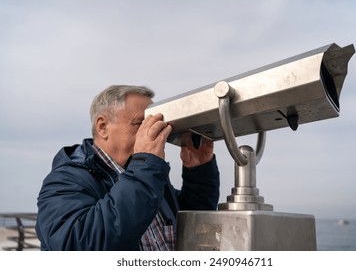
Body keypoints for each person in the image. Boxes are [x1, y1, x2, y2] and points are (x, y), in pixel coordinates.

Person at [35, 85, 220, 251]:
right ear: (102, 127)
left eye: (155, 123)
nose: (152, 131)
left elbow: (191, 220)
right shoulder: (64, 180)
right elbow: (77, 246)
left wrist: (198, 169)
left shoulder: (146, 175)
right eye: (141, 123)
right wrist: (146, 167)